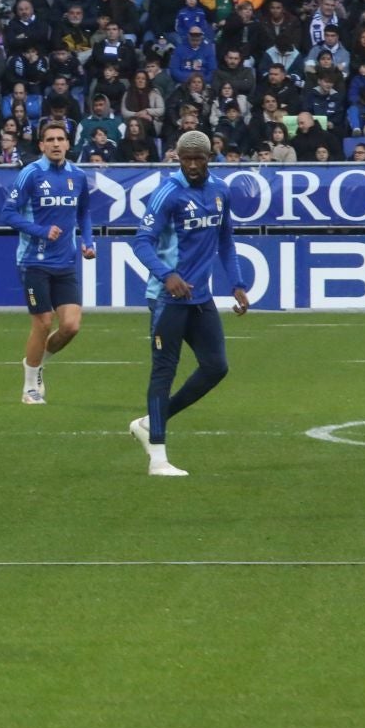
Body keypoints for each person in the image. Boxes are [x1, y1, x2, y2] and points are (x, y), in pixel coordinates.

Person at [129, 130, 248, 476]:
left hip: (200, 296)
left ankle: (152, 421)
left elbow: (226, 241)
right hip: (167, 298)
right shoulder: (167, 194)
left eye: (199, 159)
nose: (193, 165)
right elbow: (141, 242)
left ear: (210, 158)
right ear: (177, 158)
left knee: (216, 366)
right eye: (186, 159)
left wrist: (237, 283)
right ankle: (158, 459)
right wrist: (167, 274)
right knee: (164, 370)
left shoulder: (220, 191)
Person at [0, 120, 97, 405]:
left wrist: (88, 240)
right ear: (41, 145)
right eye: (49, 139)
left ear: (68, 143)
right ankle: (29, 387)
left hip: (65, 261)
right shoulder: (31, 174)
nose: (55, 144)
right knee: (42, 323)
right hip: (33, 261)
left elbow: (85, 212)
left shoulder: (77, 176)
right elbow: (7, 213)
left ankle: (36, 361)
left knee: (71, 326)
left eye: (60, 139)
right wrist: (41, 231)